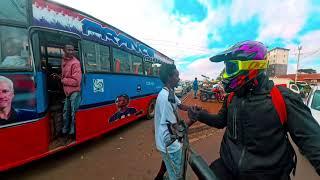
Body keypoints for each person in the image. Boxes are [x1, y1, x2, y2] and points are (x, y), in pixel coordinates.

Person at [188, 40, 320, 180]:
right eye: (227, 68)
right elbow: (221, 121)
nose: (226, 75)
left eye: (231, 67)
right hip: (227, 167)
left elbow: (313, 143)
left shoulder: (282, 99)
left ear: (252, 67)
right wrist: (199, 115)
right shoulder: (232, 97)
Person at [154, 63, 193, 180]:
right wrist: (194, 119)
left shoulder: (169, 92)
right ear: (169, 78)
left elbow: (180, 105)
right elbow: (175, 128)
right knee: (177, 175)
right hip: (169, 143)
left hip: (170, 142)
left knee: (170, 166)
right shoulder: (165, 98)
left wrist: (192, 108)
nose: (179, 78)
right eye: (177, 76)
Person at [61, 44, 82, 143]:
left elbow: (76, 81)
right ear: (64, 50)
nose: (70, 51)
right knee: (66, 113)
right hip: (67, 92)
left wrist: (63, 80)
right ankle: (65, 131)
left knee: (73, 114)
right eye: (68, 49)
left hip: (74, 92)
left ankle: (72, 133)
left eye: (72, 50)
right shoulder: (64, 61)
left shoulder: (75, 63)